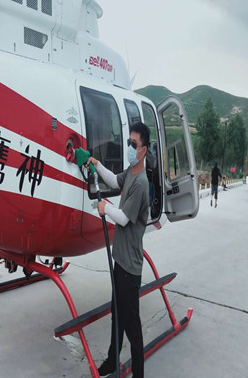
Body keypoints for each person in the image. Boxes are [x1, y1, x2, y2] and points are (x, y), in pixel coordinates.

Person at [87, 122, 150, 378]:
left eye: (134, 144)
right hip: (120, 262)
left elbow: (123, 218)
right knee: (117, 316)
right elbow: (114, 180)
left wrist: (105, 208)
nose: (130, 148)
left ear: (144, 150)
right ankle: (113, 360)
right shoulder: (131, 173)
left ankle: (139, 374)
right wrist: (96, 164)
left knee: (132, 326)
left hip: (129, 269)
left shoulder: (141, 183)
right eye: (129, 142)